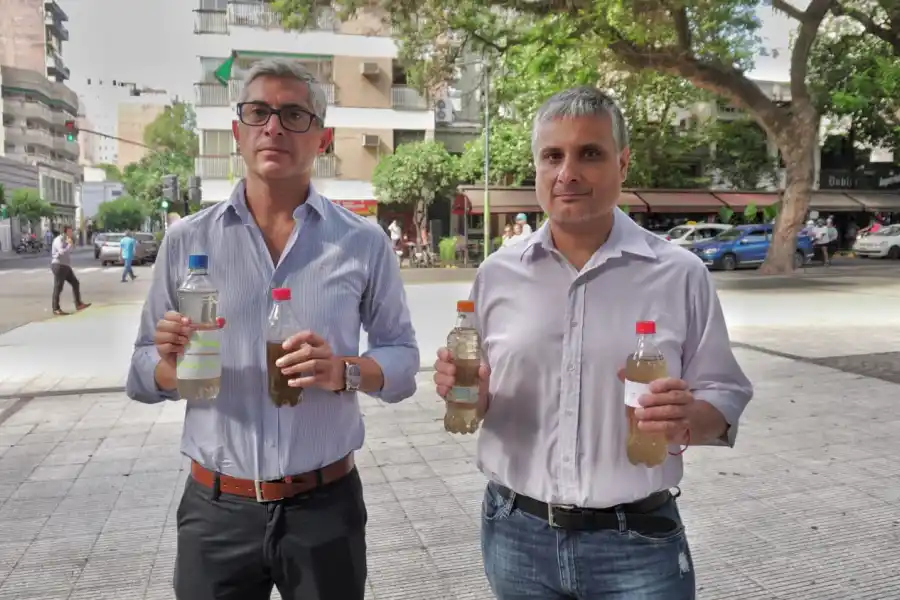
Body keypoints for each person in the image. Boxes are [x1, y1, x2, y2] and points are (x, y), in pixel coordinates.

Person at [433, 86, 753, 599]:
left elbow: (724, 392)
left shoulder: (679, 273)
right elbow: (479, 394)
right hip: (516, 535)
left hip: (637, 545)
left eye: (589, 154)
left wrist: (687, 416)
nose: (568, 173)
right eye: (552, 156)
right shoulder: (497, 274)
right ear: (537, 167)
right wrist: (470, 392)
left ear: (622, 163)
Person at [126, 58, 419, 600]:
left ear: (322, 138)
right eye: (258, 112)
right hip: (217, 510)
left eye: (294, 115)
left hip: (324, 508)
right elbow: (141, 372)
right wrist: (171, 368)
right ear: (237, 131)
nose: (274, 127)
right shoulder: (188, 242)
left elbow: (402, 361)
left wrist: (344, 371)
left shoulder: (362, 242)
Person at [50, 225, 91, 316]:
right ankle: (56, 308)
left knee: (75, 283)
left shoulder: (66, 239)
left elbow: (70, 251)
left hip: (65, 266)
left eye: (71, 231)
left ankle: (78, 304)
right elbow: (61, 252)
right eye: (69, 231)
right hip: (59, 265)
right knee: (58, 287)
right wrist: (69, 245)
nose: (71, 233)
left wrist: (72, 244)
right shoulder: (58, 240)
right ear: (64, 232)